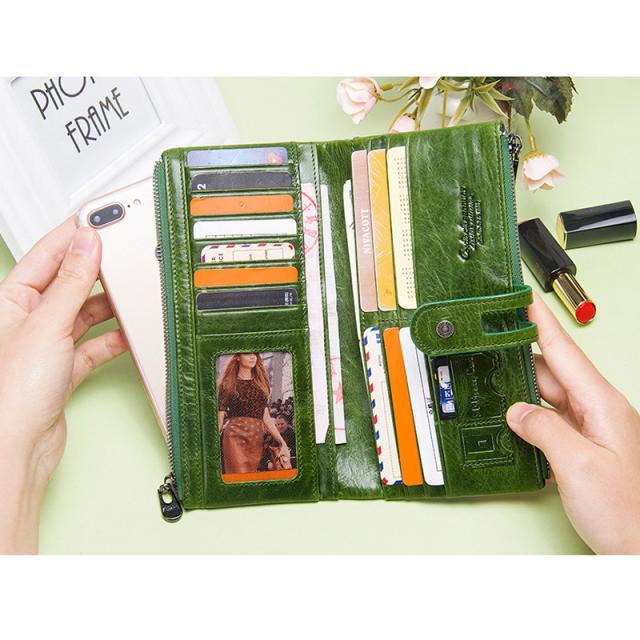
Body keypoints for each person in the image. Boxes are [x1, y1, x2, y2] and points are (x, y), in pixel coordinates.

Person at [0, 220, 639, 553]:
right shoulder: (229, 381)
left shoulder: (258, 383)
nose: (248, 358)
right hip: (234, 440)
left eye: (252, 355)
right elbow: (226, 417)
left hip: (256, 438)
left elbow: (266, 418)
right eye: (245, 356)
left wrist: (279, 442)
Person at [217, 353, 291, 474]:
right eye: (247, 354)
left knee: (251, 476)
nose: (253, 357)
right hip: (234, 437)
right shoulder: (227, 384)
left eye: (255, 354)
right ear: (237, 357)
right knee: (240, 477)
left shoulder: (261, 385)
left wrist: (282, 442)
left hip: (256, 438)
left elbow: (266, 419)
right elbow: (220, 419)